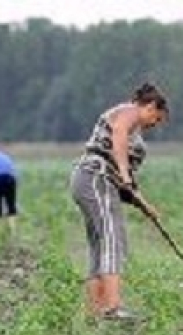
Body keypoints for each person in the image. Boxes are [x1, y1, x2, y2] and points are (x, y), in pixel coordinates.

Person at [70, 82, 169, 320]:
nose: (154, 125)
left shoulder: (132, 132)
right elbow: (119, 134)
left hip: (90, 180)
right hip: (96, 178)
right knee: (113, 239)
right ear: (150, 106)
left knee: (99, 243)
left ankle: (95, 309)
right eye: (156, 118)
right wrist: (124, 172)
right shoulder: (129, 112)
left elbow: (127, 187)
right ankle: (112, 307)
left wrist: (145, 206)